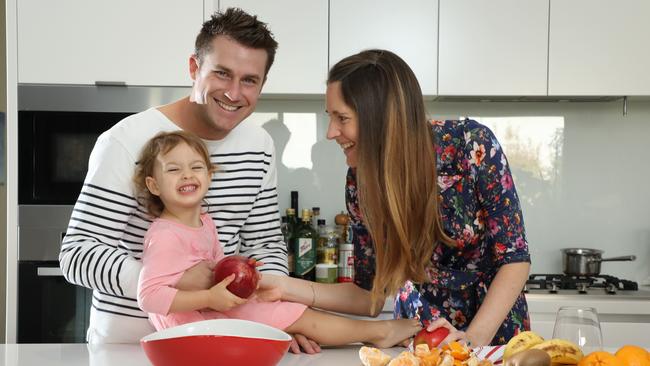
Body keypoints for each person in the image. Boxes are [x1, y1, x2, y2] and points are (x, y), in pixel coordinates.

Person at [58, 9, 315, 350]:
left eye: (249, 80)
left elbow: (264, 245)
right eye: (222, 74)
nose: (234, 93)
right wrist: (173, 284)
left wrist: (275, 318)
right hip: (131, 345)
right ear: (194, 68)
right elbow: (78, 254)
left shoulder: (259, 147)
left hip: (222, 339)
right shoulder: (126, 140)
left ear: (262, 84)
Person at [259, 49, 531, 346]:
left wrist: (471, 342)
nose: (331, 132)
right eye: (331, 117)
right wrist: (283, 287)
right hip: (419, 340)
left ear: (381, 118)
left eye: (342, 118)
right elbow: (368, 296)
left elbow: (514, 259)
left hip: (493, 338)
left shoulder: (471, 145)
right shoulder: (360, 181)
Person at [133, 130, 422, 348]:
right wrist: (209, 296)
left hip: (213, 318)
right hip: (193, 329)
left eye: (196, 167)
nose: (186, 175)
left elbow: (215, 266)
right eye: (173, 169)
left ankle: (376, 332)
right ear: (153, 184)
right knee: (296, 314)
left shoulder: (205, 222)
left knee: (294, 313)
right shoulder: (164, 234)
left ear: (209, 176)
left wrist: (238, 267)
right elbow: (149, 296)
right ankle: (379, 332)